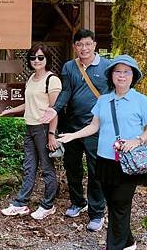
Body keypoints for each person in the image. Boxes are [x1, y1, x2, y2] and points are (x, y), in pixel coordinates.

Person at [57, 55, 147, 250]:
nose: (121, 76)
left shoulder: (141, 101)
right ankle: (127, 241)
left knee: (121, 205)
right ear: (111, 75)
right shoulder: (103, 100)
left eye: (127, 72)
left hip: (128, 163)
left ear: (134, 76)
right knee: (113, 204)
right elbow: (94, 126)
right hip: (105, 160)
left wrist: (136, 140)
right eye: (117, 71)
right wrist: (73, 136)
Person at [40, 29, 110, 232]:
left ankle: (97, 213)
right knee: (72, 167)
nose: (84, 48)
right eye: (80, 45)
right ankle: (78, 202)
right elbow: (66, 92)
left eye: (88, 44)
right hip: (71, 125)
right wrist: (54, 109)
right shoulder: (70, 67)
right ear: (74, 47)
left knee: (95, 171)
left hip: (96, 127)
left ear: (94, 45)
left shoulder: (107, 66)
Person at [0, 43, 61, 220]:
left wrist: (51, 134)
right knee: (29, 167)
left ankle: (48, 205)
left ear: (47, 59)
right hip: (30, 127)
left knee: (47, 168)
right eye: (33, 57)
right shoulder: (31, 79)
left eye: (41, 57)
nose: (36, 60)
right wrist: (10, 110)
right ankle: (21, 204)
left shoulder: (52, 80)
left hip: (44, 128)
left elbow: (54, 109)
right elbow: (30, 104)